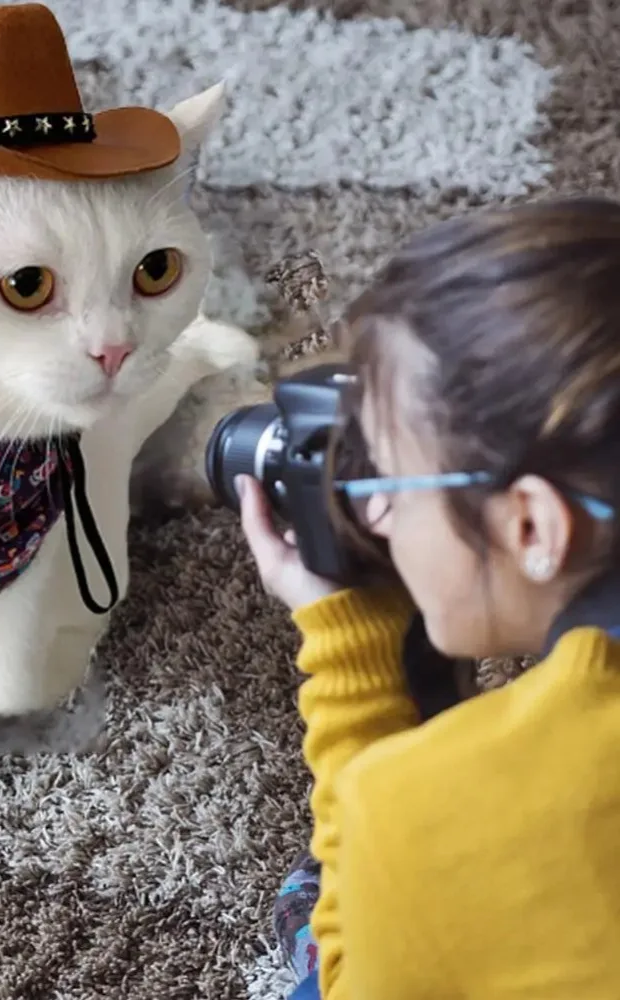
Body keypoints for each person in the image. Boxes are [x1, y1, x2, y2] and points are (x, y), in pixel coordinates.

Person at [236, 196, 620, 999]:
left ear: (531, 525)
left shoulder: (427, 809)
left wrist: (346, 643)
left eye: (390, 482)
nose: (371, 512)